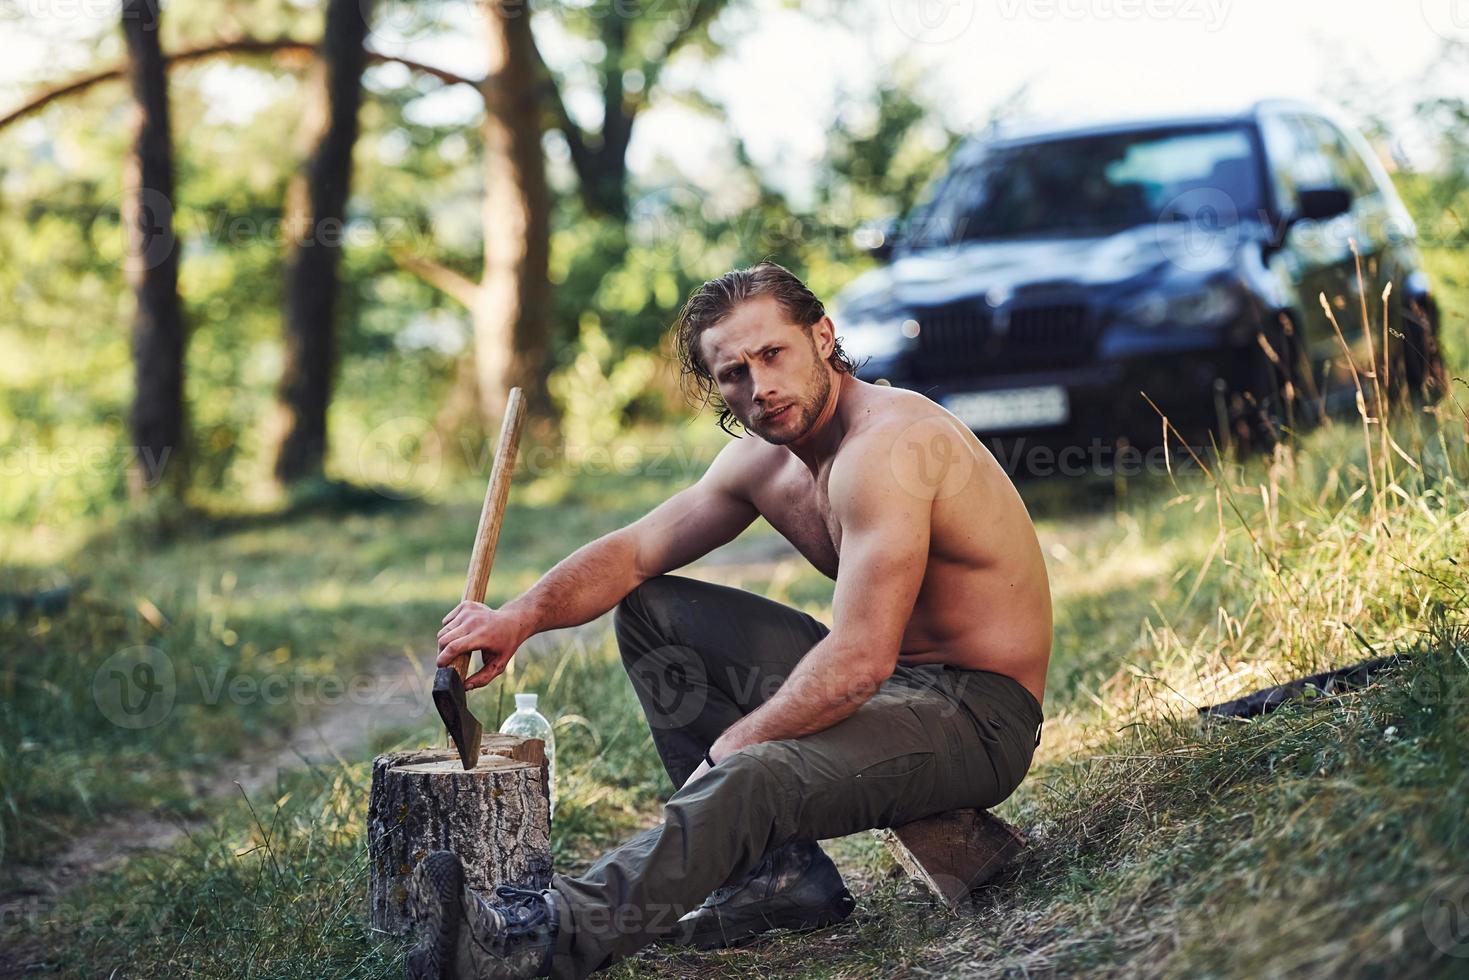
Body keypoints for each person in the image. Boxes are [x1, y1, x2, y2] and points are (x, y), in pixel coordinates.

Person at [407, 260, 1053, 980]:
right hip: (894, 685)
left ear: (822, 336)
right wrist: (517, 618)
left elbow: (858, 662)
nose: (759, 387)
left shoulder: (888, 448)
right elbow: (633, 553)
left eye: (772, 354)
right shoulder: (764, 461)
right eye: (733, 373)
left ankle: (533, 943)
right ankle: (773, 883)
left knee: (754, 773)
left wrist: (734, 748)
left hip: (974, 714)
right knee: (656, 610)